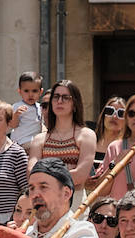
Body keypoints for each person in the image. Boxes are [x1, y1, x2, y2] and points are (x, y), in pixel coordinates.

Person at [27, 79, 96, 208]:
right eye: (56, 97)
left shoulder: (87, 135)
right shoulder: (40, 139)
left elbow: (80, 175)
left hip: (74, 202)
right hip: (44, 202)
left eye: (65, 97)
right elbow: (31, 171)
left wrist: (45, 181)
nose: (59, 101)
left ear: (75, 103)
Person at [91, 96, 127, 174]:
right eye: (110, 111)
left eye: (121, 113)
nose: (114, 116)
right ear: (103, 115)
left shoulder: (126, 147)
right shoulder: (89, 141)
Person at [10, 71, 45, 148]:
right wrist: (16, 115)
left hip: (35, 140)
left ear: (41, 92)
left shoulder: (40, 107)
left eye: (34, 91)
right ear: (20, 91)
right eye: (26, 91)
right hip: (21, 141)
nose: (30, 94)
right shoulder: (17, 106)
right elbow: (12, 125)